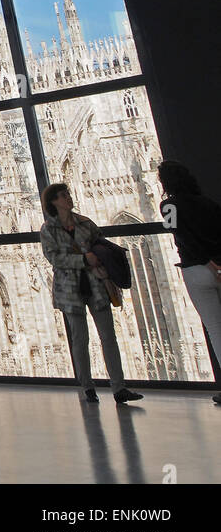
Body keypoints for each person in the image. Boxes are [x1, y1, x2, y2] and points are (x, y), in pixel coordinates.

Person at [39, 182, 143, 406]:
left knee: (109, 338)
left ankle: (119, 387)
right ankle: (87, 387)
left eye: (68, 194)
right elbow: (54, 258)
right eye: (63, 195)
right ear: (54, 202)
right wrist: (84, 260)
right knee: (80, 340)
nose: (69, 198)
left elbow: (101, 246)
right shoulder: (48, 229)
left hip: (96, 285)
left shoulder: (86, 223)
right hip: (70, 290)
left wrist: (101, 262)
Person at [158, 160, 221, 406]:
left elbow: (176, 233)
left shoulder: (168, 206)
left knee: (216, 329)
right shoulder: (208, 203)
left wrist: (206, 262)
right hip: (219, 266)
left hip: (198, 269)